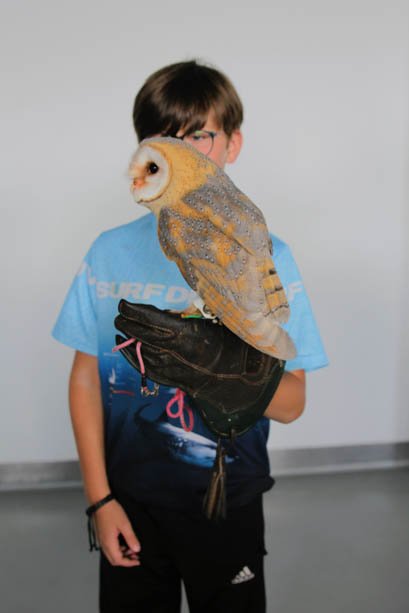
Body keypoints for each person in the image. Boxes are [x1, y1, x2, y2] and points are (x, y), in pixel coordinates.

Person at [52, 60, 328, 613]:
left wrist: (223, 371)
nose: (183, 153)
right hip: (131, 499)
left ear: (232, 145)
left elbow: (293, 403)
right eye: (165, 140)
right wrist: (99, 500)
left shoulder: (267, 253)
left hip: (228, 498)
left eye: (200, 136)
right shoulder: (109, 252)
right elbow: (85, 379)